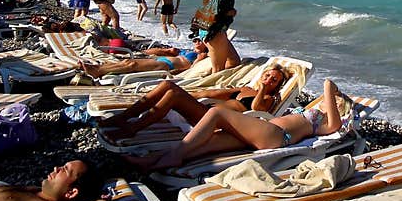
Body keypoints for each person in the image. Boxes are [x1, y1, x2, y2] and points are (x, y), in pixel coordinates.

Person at [126, 78, 345, 172]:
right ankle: (152, 161)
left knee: (216, 112)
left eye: (335, 102)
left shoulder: (323, 122)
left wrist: (330, 89)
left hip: (277, 135)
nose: (330, 101)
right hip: (261, 132)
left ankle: (175, 154)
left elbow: (334, 127)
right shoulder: (312, 114)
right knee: (209, 142)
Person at [98, 63, 288, 141]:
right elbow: (212, 92)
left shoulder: (269, 99)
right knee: (168, 85)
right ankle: (124, 117)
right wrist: (188, 95)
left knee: (173, 95)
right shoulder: (245, 89)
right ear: (262, 73)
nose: (269, 79)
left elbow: (256, 109)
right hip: (204, 110)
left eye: (274, 80)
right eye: (268, 75)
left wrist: (263, 88)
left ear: (277, 85)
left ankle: (133, 128)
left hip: (215, 122)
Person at [80, 38, 210, 79]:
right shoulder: (186, 51)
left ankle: (98, 71)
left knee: (132, 66)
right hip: (160, 60)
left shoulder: (203, 56)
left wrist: (199, 59)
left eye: (200, 41)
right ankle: (98, 68)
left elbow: (193, 70)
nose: (197, 42)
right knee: (127, 62)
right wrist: (166, 51)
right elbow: (152, 51)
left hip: (167, 67)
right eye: (195, 40)